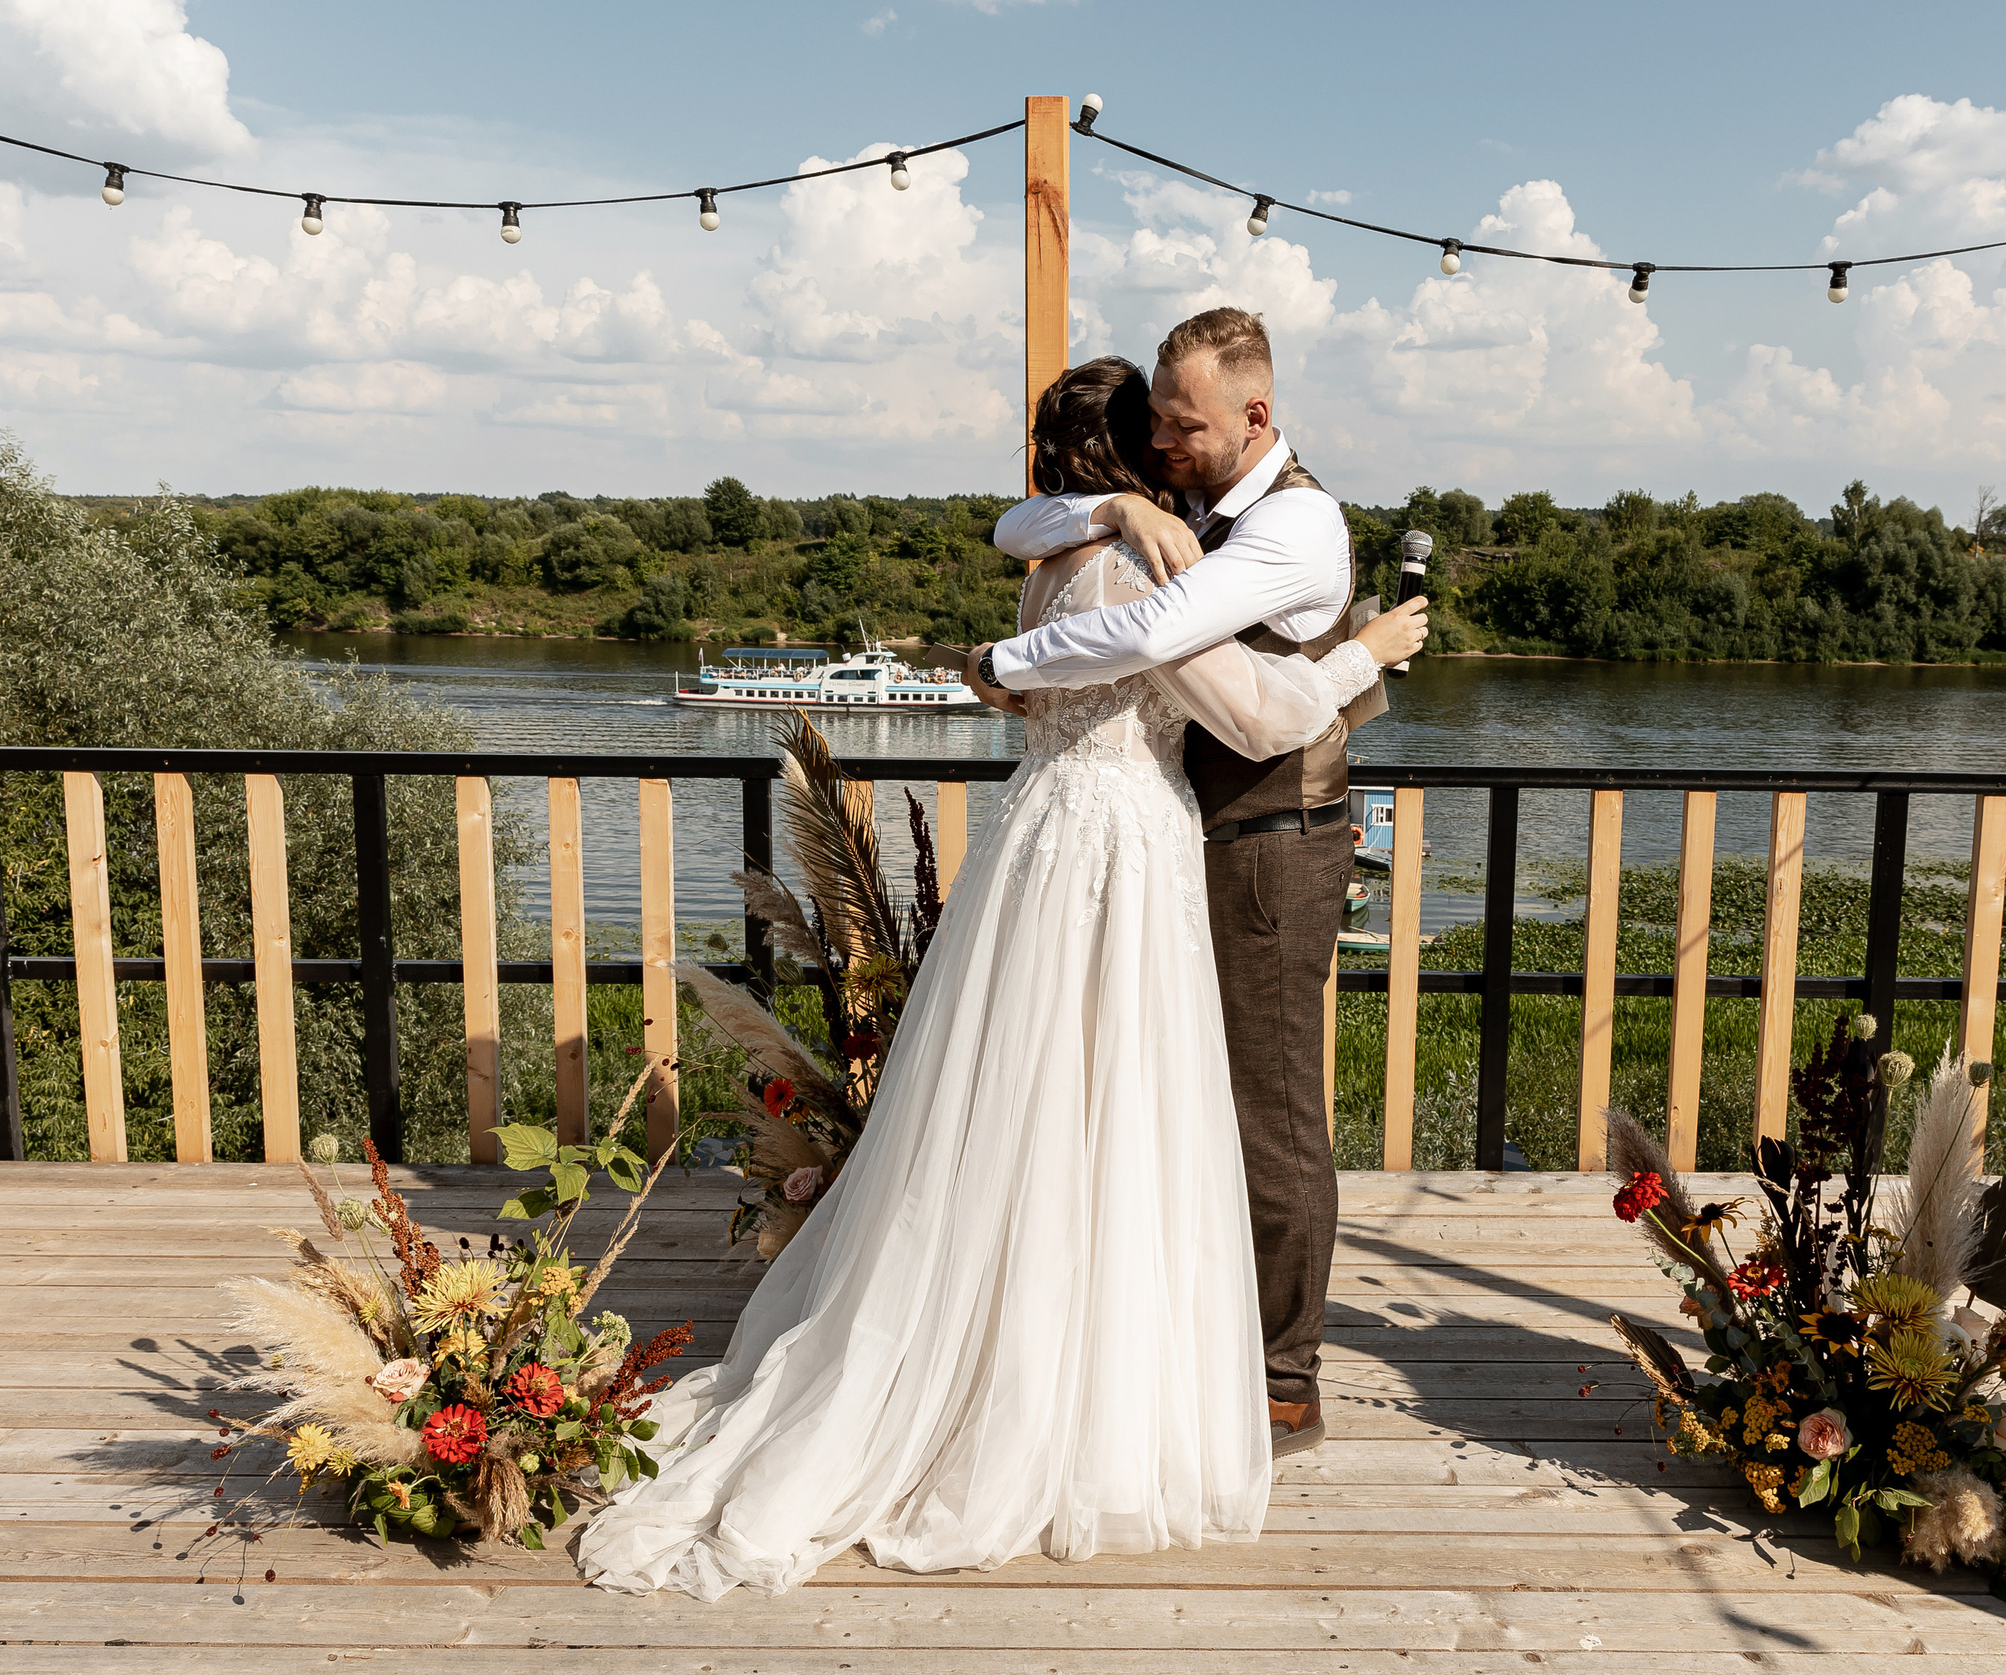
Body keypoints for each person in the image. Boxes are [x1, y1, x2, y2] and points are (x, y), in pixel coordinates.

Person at [576, 356, 1429, 1600]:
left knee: (1019, 1098)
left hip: (1039, 833)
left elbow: (1027, 554)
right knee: (1110, 1104)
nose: (1175, 456)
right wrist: (1364, 657)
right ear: (1132, 452)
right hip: (1124, 848)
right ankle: (1081, 1386)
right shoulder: (1138, 562)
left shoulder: (1046, 563)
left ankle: (994, 1332)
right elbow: (1256, 718)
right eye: (1159, 437)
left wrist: (1075, 538)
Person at [969, 306, 1360, 1460]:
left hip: (1267, 838)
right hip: (1152, 838)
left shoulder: (1294, 526)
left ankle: (1283, 1381)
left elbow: (1165, 640)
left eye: (1182, 429)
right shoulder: (1153, 520)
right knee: (1144, 1097)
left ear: (1255, 415)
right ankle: (1167, 1342)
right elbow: (1018, 523)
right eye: (1155, 434)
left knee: (1268, 1112)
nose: (1170, 445)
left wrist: (998, 664)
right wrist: (1114, 507)